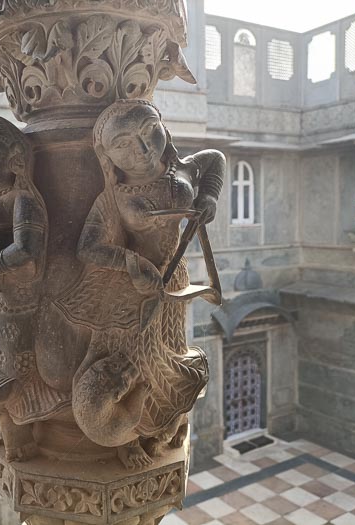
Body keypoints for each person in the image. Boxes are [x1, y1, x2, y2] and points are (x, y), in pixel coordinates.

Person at [72, 99, 224, 468]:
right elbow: (88, 247)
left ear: (163, 127)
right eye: (122, 144)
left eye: (148, 131)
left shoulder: (182, 169)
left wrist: (208, 196)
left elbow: (215, 159)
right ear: (106, 155)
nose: (141, 149)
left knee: (172, 355)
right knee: (135, 365)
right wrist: (128, 260)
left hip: (174, 282)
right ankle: (126, 435)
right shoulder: (113, 198)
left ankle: (165, 421)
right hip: (135, 289)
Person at [0, 113, 65, 461]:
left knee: (12, 368)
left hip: (15, 302)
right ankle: (10, 423)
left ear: (14, 157)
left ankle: (24, 430)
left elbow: (28, 251)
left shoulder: (24, 199)